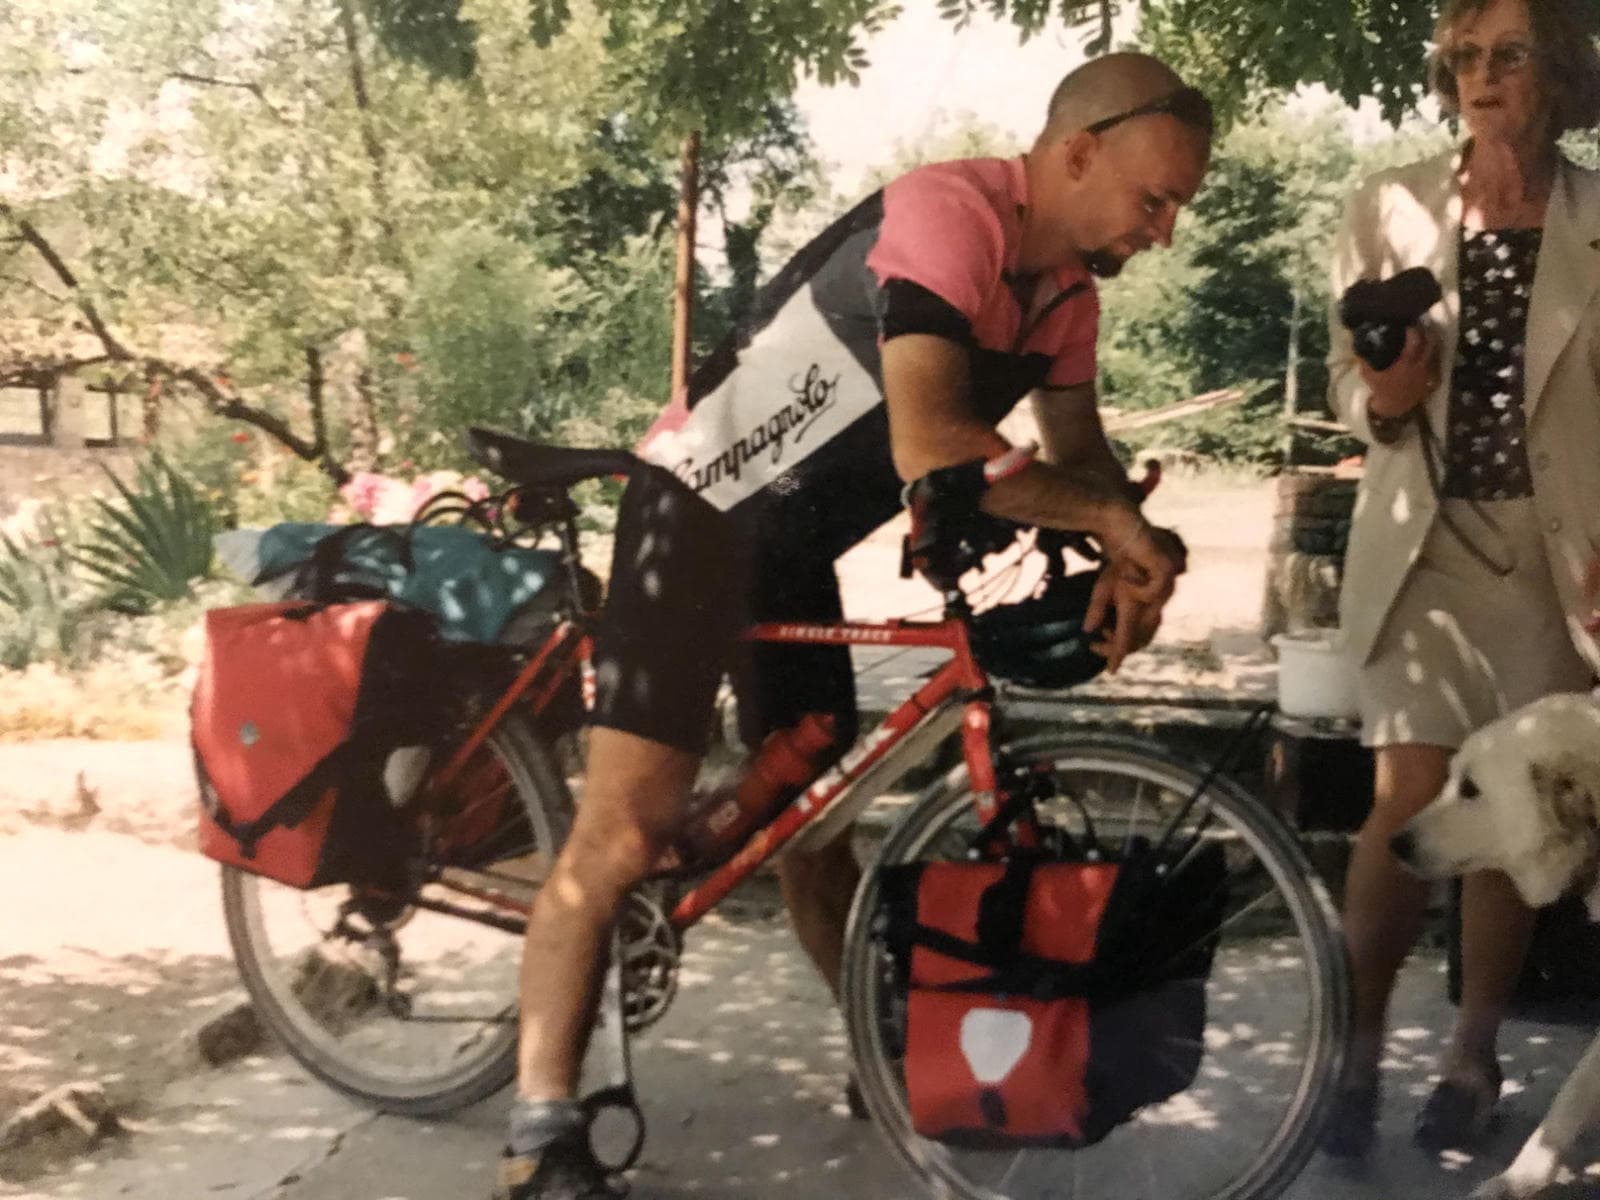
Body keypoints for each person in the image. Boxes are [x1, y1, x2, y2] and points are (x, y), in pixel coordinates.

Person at [495, 51, 1212, 1200]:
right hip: (692, 514)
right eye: (1153, 199)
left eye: (1178, 208)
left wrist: (1136, 549)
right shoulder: (947, 213)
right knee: (620, 837)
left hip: (782, 552)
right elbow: (931, 441)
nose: (1164, 231)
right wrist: (1110, 527)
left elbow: (1078, 463)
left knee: (809, 816)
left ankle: (879, 1061)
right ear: (1076, 151)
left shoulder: (1065, 294)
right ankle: (536, 1131)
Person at [1322, 0, 1600, 1158]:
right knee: (1408, 801)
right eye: (1462, 59)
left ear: (1562, 73)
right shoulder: (1383, 205)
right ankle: (1352, 1053)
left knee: (1510, 805)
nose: (1479, 79)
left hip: (1556, 558)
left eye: (1508, 55)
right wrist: (1382, 397)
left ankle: (1472, 1055)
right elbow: (1348, 374)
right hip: (1418, 549)